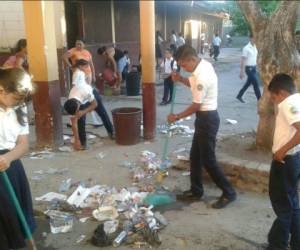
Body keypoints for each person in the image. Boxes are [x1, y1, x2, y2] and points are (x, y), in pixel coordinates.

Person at [169, 45, 236, 208]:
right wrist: (180, 79)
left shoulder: (202, 76)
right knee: (195, 157)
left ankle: (229, 193)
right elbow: (192, 84)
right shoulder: (202, 65)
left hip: (207, 119)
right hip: (205, 118)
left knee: (208, 160)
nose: (183, 68)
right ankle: (196, 190)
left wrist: (176, 116)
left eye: (184, 65)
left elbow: (196, 106)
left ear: (191, 59)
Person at [0, 68, 36, 249]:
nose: (18, 104)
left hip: (11, 164)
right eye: (15, 99)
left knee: (17, 211)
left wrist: (8, 158)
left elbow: (23, 144)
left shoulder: (19, 107)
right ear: (1, 90)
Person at [267, 73, 300, 250]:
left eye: (273, 97)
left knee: (282, 205)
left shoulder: (288, 103)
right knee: (292, 203)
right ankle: (295, 243)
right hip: (294, 159)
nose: (275, 101)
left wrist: (281, 150)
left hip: (285, 160)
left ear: (280, 93)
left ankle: (277, 245)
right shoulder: (298, 99)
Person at [72, 59, 114, 139]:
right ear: (80, 66)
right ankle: (111, 132)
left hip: (87, 94)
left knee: (83, 118)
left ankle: (82, 141)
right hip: (86, 95)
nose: (87, 67)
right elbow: (77, 86)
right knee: (101, 113)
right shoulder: (78, 73)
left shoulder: (78, 72)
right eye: (86, 66)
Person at [64, 80, 97, 150]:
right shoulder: (70, 103)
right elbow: (74, 123)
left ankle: (111, 132)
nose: (76, 114)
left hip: (91, 92)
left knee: (102, 112)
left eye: (76, 112)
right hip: (80, 97)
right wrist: (76, 140)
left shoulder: (86, 92)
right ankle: (82, 143)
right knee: (80, 122)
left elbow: (95, 104)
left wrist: (83, 112)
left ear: (78, 106)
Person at [236, 34, 261, 103]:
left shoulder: (255, 47)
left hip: (254, 68)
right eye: (254, 38)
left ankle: (239, 95)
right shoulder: (246, 48)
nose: (255, 40)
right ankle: (260, 99)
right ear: (250, 38)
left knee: (248, 83)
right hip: (248, 68)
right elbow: (243, 60)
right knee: (256, 83)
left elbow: (255, 58)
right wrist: (242, 71)